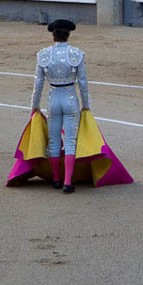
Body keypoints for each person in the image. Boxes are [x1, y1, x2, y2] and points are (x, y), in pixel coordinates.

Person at [28, 19, 91, 194]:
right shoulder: (76, 54)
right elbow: (83, 83)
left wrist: (34, 106)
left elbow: (38, 83)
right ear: (68, 35)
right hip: (70, 99)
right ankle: (67, 183)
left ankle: (56, 180)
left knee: (54, 142)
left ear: (53, 35)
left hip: (53, 99)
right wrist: (86, 106)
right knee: (70, 142)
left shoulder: (44, 55)